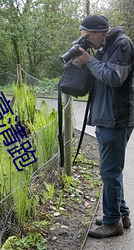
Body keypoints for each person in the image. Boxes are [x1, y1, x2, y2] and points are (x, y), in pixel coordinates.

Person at [76, 15, 134, 238]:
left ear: (100, 32)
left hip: (116, 118)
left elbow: (113, 77)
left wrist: (89, 61)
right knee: (111, 171)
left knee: (109, 171)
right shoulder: (105, 46)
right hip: (106, 117)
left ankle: (112, 223)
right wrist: (86, 60)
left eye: (88, 37)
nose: (87, 41)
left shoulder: (122, 44)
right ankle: (121, 214)